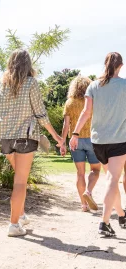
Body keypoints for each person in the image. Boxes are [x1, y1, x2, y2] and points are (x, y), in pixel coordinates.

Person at [0, 49, 62, 237]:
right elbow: (40, 114)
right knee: (20, 182)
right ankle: (13, 225)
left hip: (5, 138)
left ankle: (20, 214)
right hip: (24, 137)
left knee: (18, 178)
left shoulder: (1, 83)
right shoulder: (31, 83)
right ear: (28, 64)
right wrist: (56, 136)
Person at [69, 52, 126, 237]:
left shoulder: (93, 85)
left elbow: (86, 112)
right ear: (121, 65)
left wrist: (75, 133)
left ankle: (122, 216)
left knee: (111, 179)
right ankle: (104, 222)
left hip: (98, 142)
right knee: (112, 180)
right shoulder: (124, 86)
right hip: (118, 140)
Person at [60, 76, 101, 212]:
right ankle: (88, 191)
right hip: (93, 140)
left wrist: (62, 143)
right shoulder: (92, 100)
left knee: (80, 173)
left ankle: (83, 205)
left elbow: (66, 125)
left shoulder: (69, 103)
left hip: (75, 141)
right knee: (95, 170)